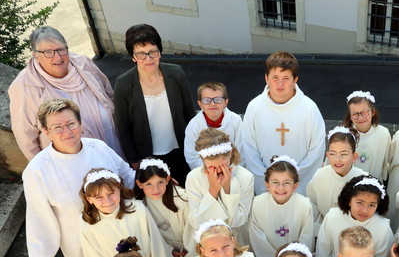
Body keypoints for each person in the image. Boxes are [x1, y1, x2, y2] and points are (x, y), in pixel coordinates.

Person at [23, 99, 134, 257]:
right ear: (46, 131)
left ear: (80, 124)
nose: (67, 131)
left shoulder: (98, 147)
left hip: (120, 230)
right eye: (57, 127)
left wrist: (157, 183)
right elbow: (39, 218)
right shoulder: (37, 170)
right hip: (80, 243)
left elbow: (127, 176)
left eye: (71, 124)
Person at [9, 26, 124, 160]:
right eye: (48, 52)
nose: (58, 57)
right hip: (70, 159)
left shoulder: (83, 63)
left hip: (112, 143)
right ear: (36, 55)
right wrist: (45, 166)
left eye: (61, 50)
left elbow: (109, 94)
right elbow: (25, 134)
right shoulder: (24, 86)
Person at [113, 24, 195, 180]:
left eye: (153, 52)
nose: (148, 59)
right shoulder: (123, 84)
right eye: (141, 54)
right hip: (148, 157)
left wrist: (195, 146)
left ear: (160, 52)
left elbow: (190, 113)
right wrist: (135, 161)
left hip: (181, 150)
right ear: (133, 57)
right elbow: (123, 128)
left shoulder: (176, 74)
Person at [241, 51, 326, 195]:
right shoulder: (255, 107)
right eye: (275, 77)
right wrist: (266, 184)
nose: (280, 84)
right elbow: (249, 150)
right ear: (266, 78)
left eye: (286, 78)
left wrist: (295, 184)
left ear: (295, 80)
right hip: (265, 187)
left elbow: (316, 151)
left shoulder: (309, 108)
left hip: (299, 187)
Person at [79, 168, 170, 257]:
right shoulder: (87, 223)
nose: (108, 201)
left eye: (111, 193)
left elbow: (156, 244)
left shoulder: (137, 209)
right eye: (99, 197)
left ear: (119, 189)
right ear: (89, 199)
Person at [184, 129, 254, 255]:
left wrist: (228, 189)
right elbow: (196, 221)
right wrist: (213, 191)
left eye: (223, 165)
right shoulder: (193, 177)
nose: (218, 170)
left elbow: (237, 221)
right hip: (207, 244)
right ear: (202, 159)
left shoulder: (245, 177)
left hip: (236, 242)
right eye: (212, 166)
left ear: (231, 153)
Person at [248, 156, 314, 257]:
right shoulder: (257, 204)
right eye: (275, 182)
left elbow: (306, 239)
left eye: (287, 183)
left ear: (295, 185)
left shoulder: (304, 205)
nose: (281, 188)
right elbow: (258, 241)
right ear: (267, 185)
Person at [316, 175, 394, 257]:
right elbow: (323, 255)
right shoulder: (332, 217)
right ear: (349, 200)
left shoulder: (383, 227)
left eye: (372, 205)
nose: (365, 210)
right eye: (360, 203)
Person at [134, 157, 192, 257]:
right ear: (139, 184)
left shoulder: (182, 199)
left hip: (189, 251)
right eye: (148, 184)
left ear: (168, 179)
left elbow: (192, 229)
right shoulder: (140, 206)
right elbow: (149, 236)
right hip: (163, 254)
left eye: (160, 182)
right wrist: (169, 251)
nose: (155, 189)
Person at [183, 81, 253, 170]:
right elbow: (192, 156)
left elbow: (241, 152)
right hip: (205, 174)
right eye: (207, 100)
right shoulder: (193, 126)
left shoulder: (236, 121)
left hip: (232, 171)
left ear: (226, 102)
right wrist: (211, 172)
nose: (212, 104)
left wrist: (229, 171)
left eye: (218, 99)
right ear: (200, 103)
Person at [307, 126, 367, 224]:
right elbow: (312, 207)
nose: (337, 159)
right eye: (333, 154)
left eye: (343, 154)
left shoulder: (363, 180)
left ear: (354, 156)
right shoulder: (319, 176)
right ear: (327, 155)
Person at [343, 90, 390, 180]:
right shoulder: (344, 135)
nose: (360, 118)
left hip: (375, 184)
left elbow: (386, 163)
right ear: (350, 116)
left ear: (372, 112)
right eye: (355, 114)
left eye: (364, 112)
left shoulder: (383, 133)